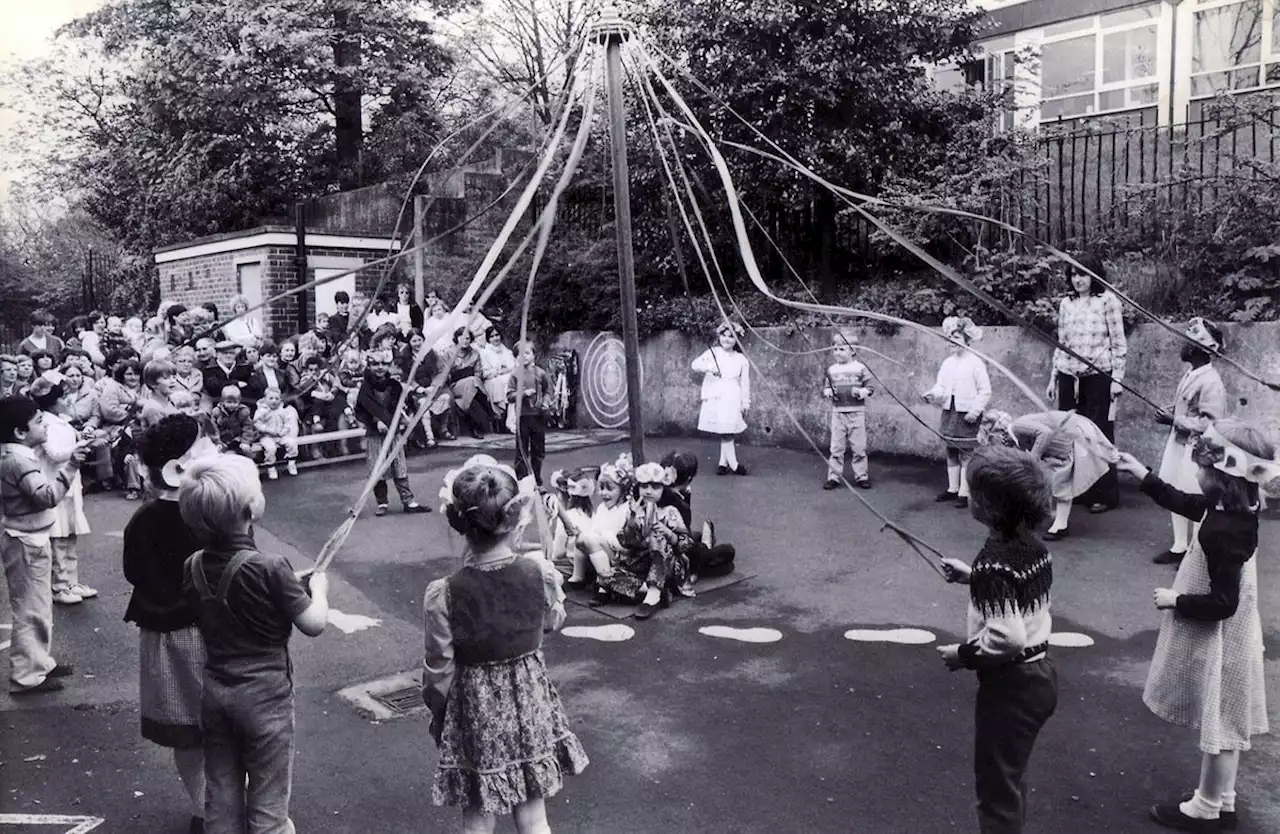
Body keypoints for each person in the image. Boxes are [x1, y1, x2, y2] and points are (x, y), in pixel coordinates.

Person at [1115, 420, 1275, 832]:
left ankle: (1205, 807)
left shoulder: (1223, 530)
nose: (1196, 475)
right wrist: (1142, 474)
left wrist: (1175, 600)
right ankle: (1224, 799)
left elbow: (1223, 603)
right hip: (1235, 633)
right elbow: (1183, 501)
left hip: (1223, 635)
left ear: (1219, 477)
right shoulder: (1234, 511)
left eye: (1201, 468)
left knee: (1220, 722)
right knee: (1228, 718)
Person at [424, 456, 588, 832]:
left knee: (478, 816)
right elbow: (552, 621)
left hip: (474, 710)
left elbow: (438, 670)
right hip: (530, 702)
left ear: (460, 524)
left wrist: (440, 716)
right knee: (534, 817)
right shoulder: (539, 572)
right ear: (515, 518)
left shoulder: (444, 593)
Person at [179, 453, 330, 833]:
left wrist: (285, 585)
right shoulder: (271, 567)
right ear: (251, 508)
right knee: (268, 792)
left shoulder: (193, 564)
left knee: (222, 788)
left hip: (215, 691)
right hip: (266, 697)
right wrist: (320, 591)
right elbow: (314, 623)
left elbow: (225, 597)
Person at [937, 445, 1058, 834]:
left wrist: (963, 654)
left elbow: (1007, 639)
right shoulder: (1034, 546)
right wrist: (973, 576)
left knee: (995, 788)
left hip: (1011, 686)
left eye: (973, 491)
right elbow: (1017, 592)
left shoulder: (993, 562)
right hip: (1041, 676)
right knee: (1011, 774)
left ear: (987, 508)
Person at [127, 415, 217, 834]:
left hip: (162, 637)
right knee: (222, 730)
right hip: (212, 636)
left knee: (187, 734)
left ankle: (205, 809)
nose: (214, 449)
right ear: (180, 466)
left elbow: (135, 573)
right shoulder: (209, 515)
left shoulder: (142, 520)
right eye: (204, 445)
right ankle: (229, 807)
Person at [1, 395, 87, 694]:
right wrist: (72, 466)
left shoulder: (16, 456)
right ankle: (26, 675)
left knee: (38, 606)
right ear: (19, 433)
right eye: (38, 421)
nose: (45, 425)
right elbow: (47, 497)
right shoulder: (18, 461)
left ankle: (40, 663)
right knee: (29, 609)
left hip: (28, 539)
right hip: (27, 542)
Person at [1046, 253, 1127, 515]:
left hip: (1098, 377)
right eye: (1073, 274)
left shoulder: (1107, 301)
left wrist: (1117, 380)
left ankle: (1105, 494)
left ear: (1094, 274)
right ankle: (1079, 489)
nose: (1078, 279)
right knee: (1070, 434)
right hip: (1070, 376)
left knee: (1098, 434)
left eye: (1082, 273)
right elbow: (1062, 343)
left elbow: (1118, 343)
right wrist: (1054, 377)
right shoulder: (1066, 304)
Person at [1153, 317, 1230, 566]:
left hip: (1198, 451)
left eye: (1190, 343)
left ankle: (1198, 554)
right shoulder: (1192, 373)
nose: (1183, 346)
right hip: (1180, 444)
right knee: (1176, 491)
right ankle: (1179, 546)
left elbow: (1211, 423)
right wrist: (1174, 410)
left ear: (1204, 350)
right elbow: (1189, 406)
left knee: (1195, 498)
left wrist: (1174, 419)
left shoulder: (1212, 382)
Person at [980, 409, 1118, 541]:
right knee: (1060, 480)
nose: (995, 443)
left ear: (998, 431)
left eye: (992, 438)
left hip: (1072, 433)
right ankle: (1058, 521)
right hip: (1064, 438)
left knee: (1064, 480)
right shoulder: (1015, 435)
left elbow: (1045, 433)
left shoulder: (1017, 427)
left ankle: (1060, 524)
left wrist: (1033, 459)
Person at [29, 377, 97, 606]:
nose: (67, 400)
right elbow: (55, 454)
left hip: (70, 484)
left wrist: (84, 438)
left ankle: (71, 581)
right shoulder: (45, 423)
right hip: (53, 482)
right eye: (62, 396)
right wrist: (79, 447)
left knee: (70, 533)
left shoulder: (62, 421)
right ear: (53, 402)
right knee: (58, 536)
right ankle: (58, 586)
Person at [598, 461, 693, 619]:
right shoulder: (634, 511)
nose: (649, 491)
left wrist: (670, 534)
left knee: (658, 539)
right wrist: (632, 522)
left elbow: (686, 544)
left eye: (655, 487)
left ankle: (653, 595)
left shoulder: (670, 511)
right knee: (603, 577)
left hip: (667, 563)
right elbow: (624, 542)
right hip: (639, 566)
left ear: (664, 489)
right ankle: (650, 590)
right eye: (644, 486)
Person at [923, 316, 991, 509]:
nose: (953, 343)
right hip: (950, 411)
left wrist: (975, 411)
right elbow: (941, 387)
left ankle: (964, 492)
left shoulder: (976, 363)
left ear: (967, 341)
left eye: (957, 339)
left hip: (967, 413)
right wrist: (932, 394)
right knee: (951, 450)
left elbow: (985, 391)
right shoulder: (947, 363)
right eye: (950, 339)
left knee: (966, 452)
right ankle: (952, 488)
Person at [354, 349, 429, 517]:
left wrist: (403, 417)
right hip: (375, 434)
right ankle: (382, 502)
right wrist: (376, 420)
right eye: (375, 364)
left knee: (399, 466)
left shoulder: (394, 385)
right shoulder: (366, 387)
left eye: (383, 364)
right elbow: (363, 408)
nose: (380, 367)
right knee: (377, 467)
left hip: (393, 432)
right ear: (369, 365)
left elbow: (399, 405)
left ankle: (408, 500)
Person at [657, 449, 736, 582]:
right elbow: (685, 535)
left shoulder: (657, 492)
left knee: (696, 536)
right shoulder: (680, 505)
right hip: (678, 549)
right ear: (688, 479)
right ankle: (705, 546)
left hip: (666, 544)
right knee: (728, 555)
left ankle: (704, 543)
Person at [692, 320, 751, 476]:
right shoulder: (713, 353)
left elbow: (745, 383)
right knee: (724, 429)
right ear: (719, 337)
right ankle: (731, 464)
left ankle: (726, 463)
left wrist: (745, 402)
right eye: (724, 336)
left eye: (731, 337)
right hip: (716, 395)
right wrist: (710, 368)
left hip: (732, 396)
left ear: (736, 340)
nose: (726, 339)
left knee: (727, 429)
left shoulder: (741, 359)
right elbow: (695, 365)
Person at [822, 330, 874, 490]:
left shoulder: (860, 368)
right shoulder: (831, 370)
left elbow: (870, 387)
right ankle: (833, 477)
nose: (837, 352)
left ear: (853, 350)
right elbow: (825, 388)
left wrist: (862, 392)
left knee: (859, 447)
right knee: (836, 447)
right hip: (838, 413)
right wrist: (828, 392)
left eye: (842, 349)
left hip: (856, 413)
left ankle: (861, 476)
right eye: (835, 349)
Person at [507, 339, 550, 486]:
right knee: (521, 450)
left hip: (537, 417)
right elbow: (510, 396)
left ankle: (537, 478)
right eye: (519, 354)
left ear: (534, 355)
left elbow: (547, 391)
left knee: (538, 450)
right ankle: (522, 480)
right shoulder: (515, 375)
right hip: (522, 417)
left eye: (527, 353)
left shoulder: (541, 374)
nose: (523, 356)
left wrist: (545, 402)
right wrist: (523, 393)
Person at [445, 327, 492, 439]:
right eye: (461, 338)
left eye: (467, 338)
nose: (464, 341)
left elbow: (478, 373)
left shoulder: (475, 353)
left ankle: (474, 426)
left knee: (472, 383)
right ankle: (487, 412)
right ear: (456, 338)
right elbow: (446, 373)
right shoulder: (449, 353)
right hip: (455, 385)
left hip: (473, 386)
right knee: (473, 382)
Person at [253, 387, 300, 480]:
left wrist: (284, 431)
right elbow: (257, 423)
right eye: (270, 398)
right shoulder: (262, 410)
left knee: (292, 443)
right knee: (270, 448)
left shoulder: (282, 410)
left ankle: (291, 463)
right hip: (267, 436)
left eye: (276, 399)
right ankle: (271, 467)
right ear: (265, 399)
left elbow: (288, 422)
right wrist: (267, 430)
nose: (274, 401)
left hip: (280, 434)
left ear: (280, 399)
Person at [479, 328, 516, 430]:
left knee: (512, 382)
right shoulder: (484, 353)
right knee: (501, 382)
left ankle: (512, 420)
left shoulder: (507, 351)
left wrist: (507, 370)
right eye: (492, 336)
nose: (495, 338)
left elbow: (514, 368)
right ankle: (504, 419)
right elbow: (485, 373)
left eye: (497, 335)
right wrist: (499, 371)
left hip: (507, 378)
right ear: (488, 339)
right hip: (492, 380)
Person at [212, 385, 261, 460]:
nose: (232, 405)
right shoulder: (217, 412)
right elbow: (214, 429)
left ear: (239, 401)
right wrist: (217, 442)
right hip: (223, 439)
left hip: (238, 438)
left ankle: (250, 463)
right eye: (229, 402)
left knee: (245, 449)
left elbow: (247, 428)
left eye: (235, 402)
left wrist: (246, 442)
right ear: (222, 401)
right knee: (218, 452)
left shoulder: (243, 412)